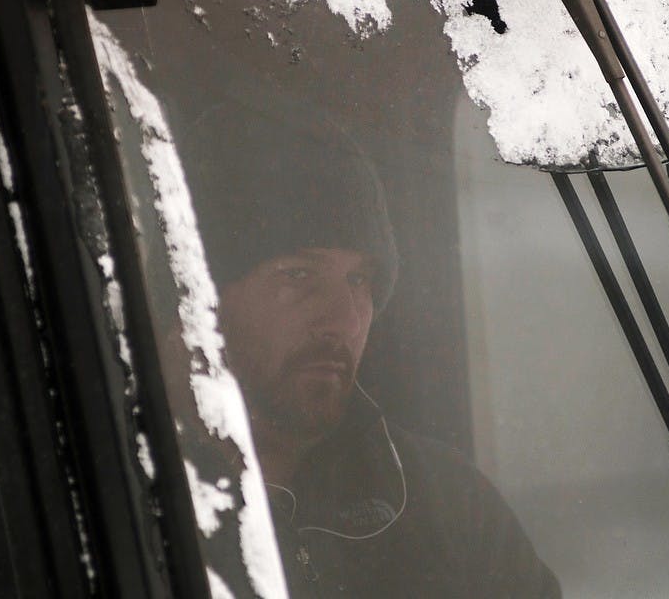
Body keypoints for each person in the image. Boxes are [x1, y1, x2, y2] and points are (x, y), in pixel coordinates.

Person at [187, 116, 562, 598]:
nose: (344, 321)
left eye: (359, 281)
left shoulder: (448, 506)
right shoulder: (114, 497)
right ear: (203, 296)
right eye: (298, 276)